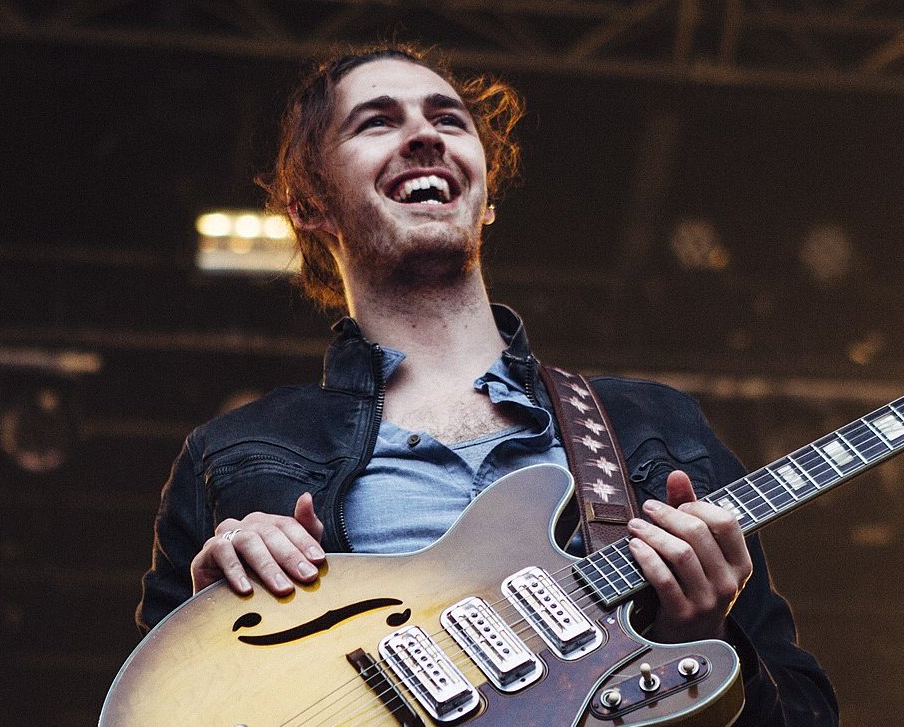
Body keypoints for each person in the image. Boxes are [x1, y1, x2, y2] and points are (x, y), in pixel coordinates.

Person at [136, 43, 839, 726]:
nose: (423, 135)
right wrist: (210, 639)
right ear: (309, 202)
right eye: (377, 121)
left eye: (447, 119)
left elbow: (803, 709)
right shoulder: (234, 452)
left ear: (484, 193)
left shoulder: (645, 424)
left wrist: (697, 636)